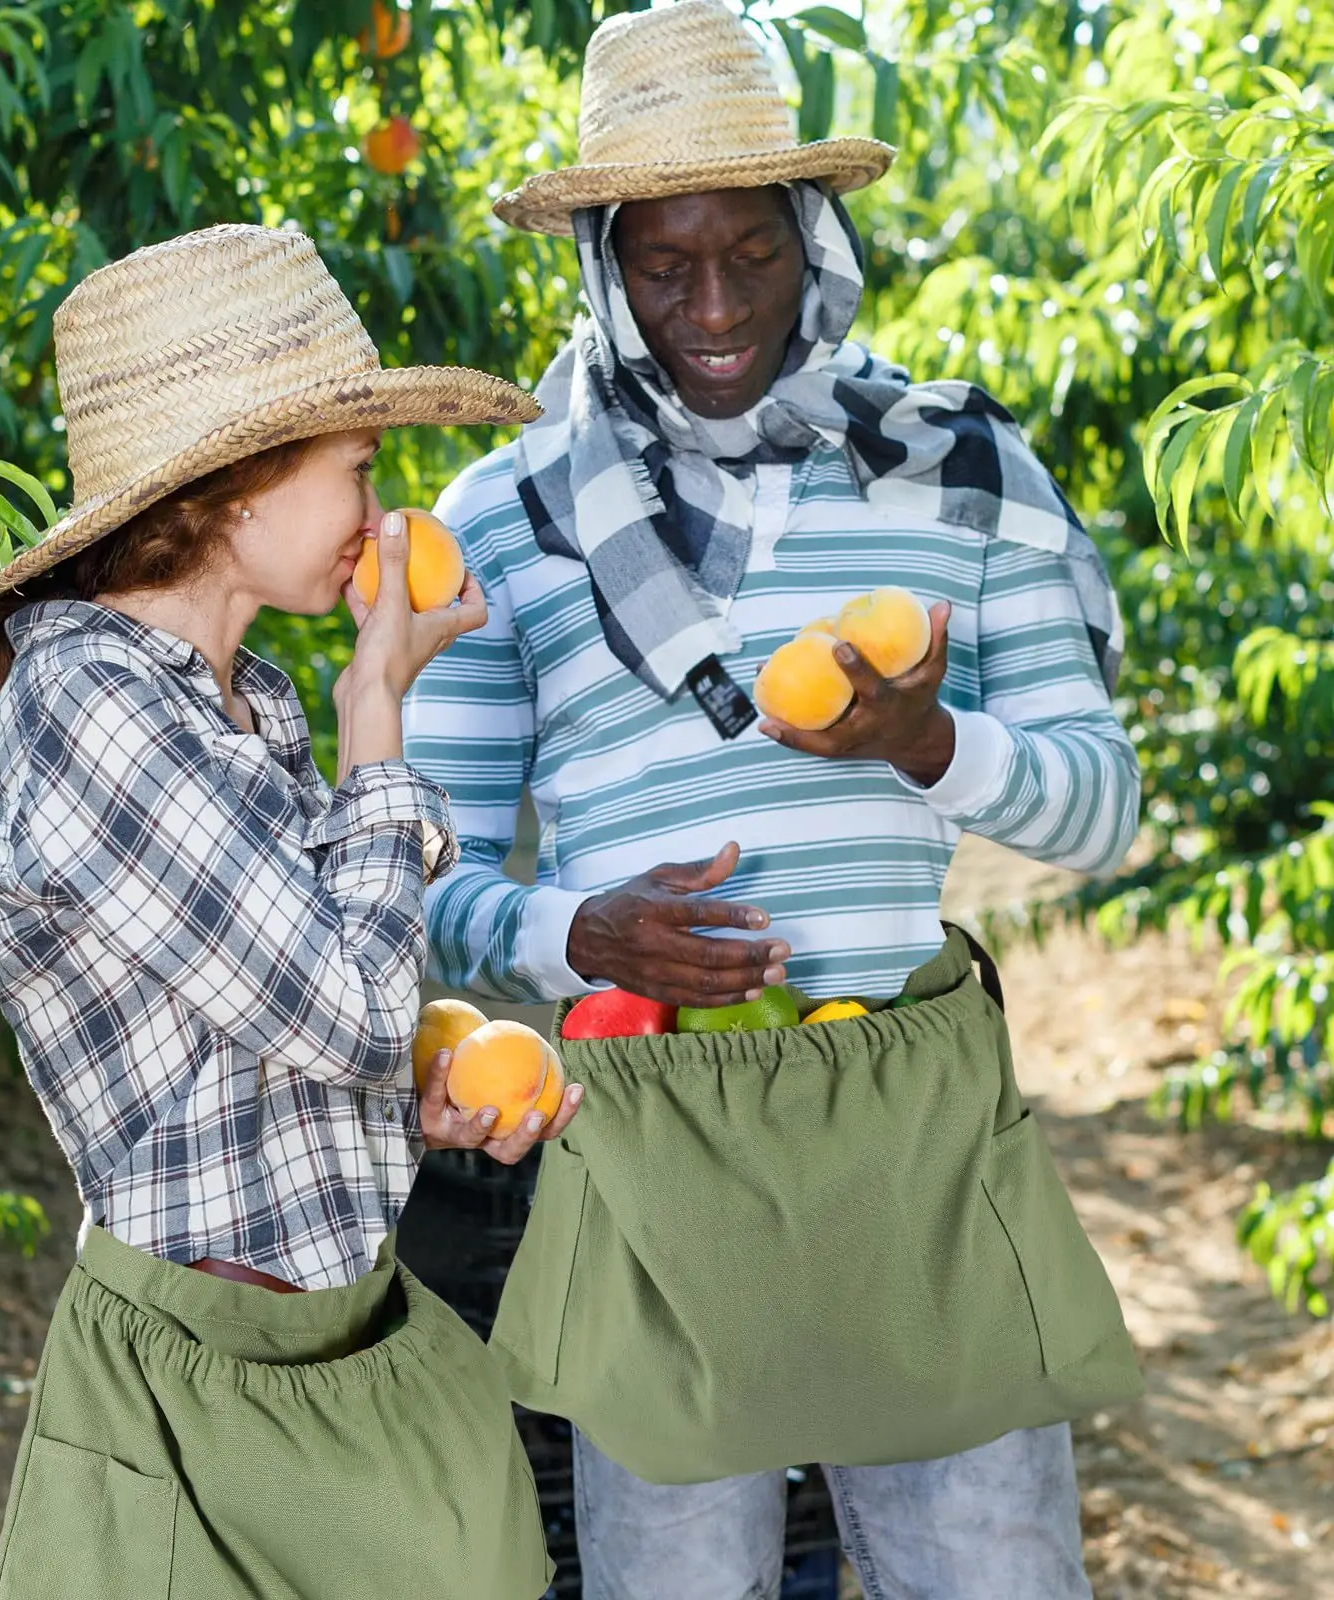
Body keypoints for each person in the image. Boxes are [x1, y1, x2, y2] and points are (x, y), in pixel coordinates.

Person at [403, 4, 1139, 1598]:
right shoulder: (506, 512)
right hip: (650, 1132)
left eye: (751, 250)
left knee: (991, 1573)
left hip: (911, 1130)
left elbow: (1103, 811)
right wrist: (580, 933)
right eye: (663, 267)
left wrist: (929, 745)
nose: (714, 306)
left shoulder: (958, 462)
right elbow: (415, 877)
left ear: (815, 233)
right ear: (601, 262)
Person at [0, 223, 578, 1600]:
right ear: (233, 486)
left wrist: (414, 1097)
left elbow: (272, 1041)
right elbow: (341, 1007)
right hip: (198, 1389)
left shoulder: (249, 699)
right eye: (356, 469)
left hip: (343, 1337)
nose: (378, 509)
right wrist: (378, 711)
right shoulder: (88, 704)